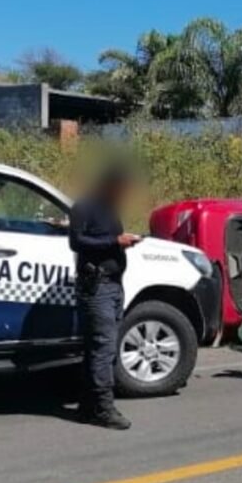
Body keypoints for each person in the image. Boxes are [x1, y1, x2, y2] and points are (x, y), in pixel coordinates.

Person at [70, 166, 143, 430]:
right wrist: (115, 241)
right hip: (96, 287)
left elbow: (107, 239)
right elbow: (77, 241)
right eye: (122, 188)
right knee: (103, 348)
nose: (124, 194)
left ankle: (88, 406)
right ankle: (104, 408)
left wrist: (123, 242)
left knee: (100, 349)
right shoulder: (84, 206)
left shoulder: (110, 209)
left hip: (113, 285)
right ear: (109, 185)